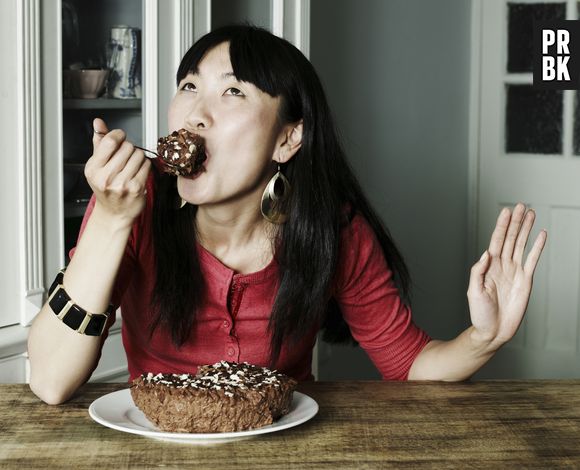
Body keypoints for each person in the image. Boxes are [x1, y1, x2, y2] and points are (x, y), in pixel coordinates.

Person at [28, 25, 547, 405]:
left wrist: (485, 338)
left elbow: (410, 364)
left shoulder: (331, 228)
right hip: (158, 448)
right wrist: (113, 221)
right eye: (188, 86)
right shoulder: (132, 204)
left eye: (232, 91)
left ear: (287, 138)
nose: (194, 113)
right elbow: (50, 380)